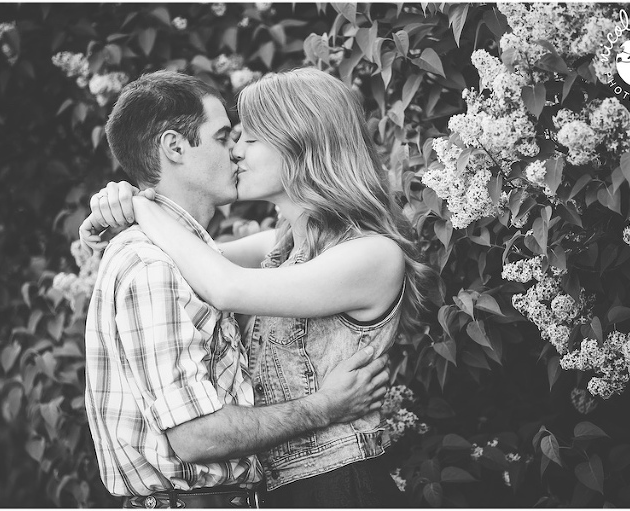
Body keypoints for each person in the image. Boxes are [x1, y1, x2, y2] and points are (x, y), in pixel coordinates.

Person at [82, 68, 429, 507]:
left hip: (339, 484)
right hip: (282, 491)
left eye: (249, 138)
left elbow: (224, 285)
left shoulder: (372, 256)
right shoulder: (279, 247)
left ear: (300, 144)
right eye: (229, 137)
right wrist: (126, 201)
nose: (236, 152)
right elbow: (187, 260)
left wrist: (140, 206)